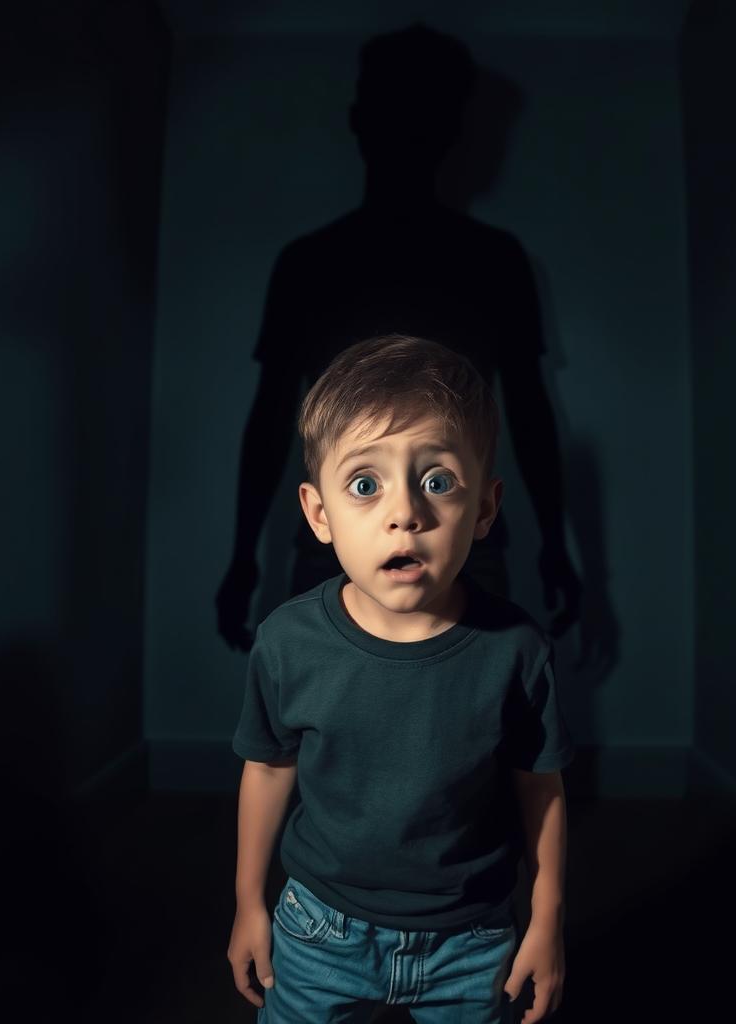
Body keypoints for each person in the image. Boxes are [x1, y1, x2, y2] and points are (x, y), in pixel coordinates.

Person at [227, 335, 572, 1023]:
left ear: (483, 510)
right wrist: (247, 904)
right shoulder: (288, 644)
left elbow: (542, 789)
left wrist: (547, 921)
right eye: (365, 484)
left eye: (438, 480)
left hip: (472, 938)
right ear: (319, 513)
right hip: (320, 926)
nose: (405, 511)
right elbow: (267, 771)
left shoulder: (516, 652)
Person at [215, 23, 583, 654]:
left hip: (462, 546)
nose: (410, 133)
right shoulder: (309, 264)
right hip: (340, 549)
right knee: (329, 727)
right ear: (361, 119)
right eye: (399, 109)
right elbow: (272, 416)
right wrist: (242, 554)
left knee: (469, 730)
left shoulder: (494, 261)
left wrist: (557, 542)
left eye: (426, 112)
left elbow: (528, 408)